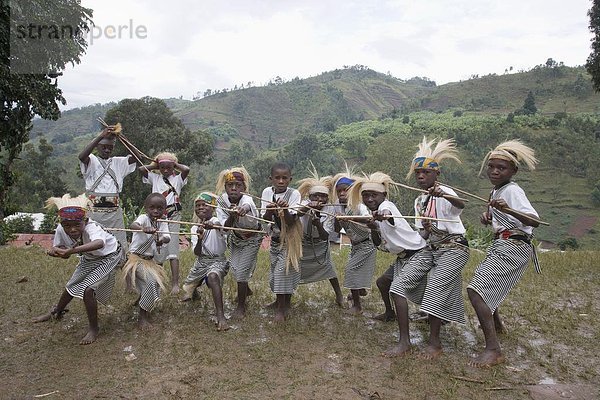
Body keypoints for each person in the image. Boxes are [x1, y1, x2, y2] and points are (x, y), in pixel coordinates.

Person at [467, 140, 540, 367]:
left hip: (514, 246)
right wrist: (488, 217)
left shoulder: (512, 190)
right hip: (502, 243)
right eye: (492, 166)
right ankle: (497, 326)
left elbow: (534, 221)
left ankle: (493, 349)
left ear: (514, 171)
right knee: (487, 287)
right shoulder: (496, 191)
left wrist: (508, 209)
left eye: (502, 167)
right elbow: (502, 220)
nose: (495, 171)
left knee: (476, 291)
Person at [400, 137, 469, 359]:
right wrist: (427, 229)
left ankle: (435, 343)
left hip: (454, 247)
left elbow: (461, 206)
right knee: (398, 284)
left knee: (436, 287)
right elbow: (422, 234)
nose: (421, 176)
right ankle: (404, 341)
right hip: (432, 248)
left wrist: (446, 195)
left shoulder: (446, 192)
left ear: (436, 174)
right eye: (418, 173)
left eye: (426, 173)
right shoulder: (419, 202)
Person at [347, 172, 428, 357]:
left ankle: (405, 342)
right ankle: (389, 313)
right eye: (366, 196)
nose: (369, 199)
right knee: (383, 282)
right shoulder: (373, 214)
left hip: (418, 254)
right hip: (402, 257)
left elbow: (388, 214)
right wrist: (374, 227)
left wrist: (384, 215)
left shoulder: (386, 206)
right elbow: (377, 243)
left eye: (373, 195)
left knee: (397, 291)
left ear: (383, 195)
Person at [33, 194, 122, 345]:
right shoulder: (61, 229)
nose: (72, 229)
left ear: (85, 221)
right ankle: (56, 312)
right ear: (62, 223)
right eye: (67, 225)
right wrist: (56, 252)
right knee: (72, 285)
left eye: (77, 225)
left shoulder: (92, 227)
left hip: (109, 256)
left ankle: (94, 329)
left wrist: (70, 251)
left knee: (88, 290)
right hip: (89, 256)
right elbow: (62, 250)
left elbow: (99, 243)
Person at [78, 124, 140, 262]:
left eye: (110, 147)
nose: (107, 150)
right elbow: (81, 156)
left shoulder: (119, 162)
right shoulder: (91, 161)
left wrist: (122, 137)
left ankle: (126, 277)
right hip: (94, 211)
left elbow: (138, 156)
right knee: (93, 245)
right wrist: (101, 136)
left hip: (114, 213)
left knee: (121, 247)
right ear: (97, 147)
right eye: (103, 147)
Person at [139, 152, 190, 295]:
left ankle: (175, 284)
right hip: (157, 217)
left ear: (173, 167)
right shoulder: (154, 177)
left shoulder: (178, 179)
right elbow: (142, 170)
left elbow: (186, 170)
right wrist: (155, 164)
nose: (166, 170)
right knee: (157, 248)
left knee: (173, 249)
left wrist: (174, 163)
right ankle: (157, 280)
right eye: (162, 167)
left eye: (169, 167)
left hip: (173, 215)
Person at [215, 167, 262, 319]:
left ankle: (241, 306)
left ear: (244, 188)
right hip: (236, 238)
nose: (234, 188)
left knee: (241, 273)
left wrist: (242, 209)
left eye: (238, 185)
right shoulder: (221, 200)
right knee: (234, 269)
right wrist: (231, 215)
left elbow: (248, 206)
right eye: (230, 185)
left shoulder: (246, 199)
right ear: (225, 187)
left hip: (252, 238)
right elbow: (225, 228)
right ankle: (246, 289)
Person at [181, 192, 230, 331]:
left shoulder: (217, 221)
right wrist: (200, 237)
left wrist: (212, 226)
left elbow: (223, 227)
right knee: (188, 288)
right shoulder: (194, 228)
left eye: (205, 205)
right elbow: (197, 253)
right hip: (201, 261)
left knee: (212, 277)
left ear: (212, 208)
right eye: (198, 206)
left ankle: (220, 316)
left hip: (217, 261)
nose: (201, 207)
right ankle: (194, 292)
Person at [261, 162, 303, 323]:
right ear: (270, 179)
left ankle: (281, 310)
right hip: (275, 239)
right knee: (275, 274)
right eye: (277, 178)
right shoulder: (266, 193)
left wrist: (284, 210)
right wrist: (270, 211)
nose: (280, 181)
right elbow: (264, 219)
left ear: (290, 179)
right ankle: (282, 302)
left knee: (282, 272)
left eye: (284, 178)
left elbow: (291, 221)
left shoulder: (294, 195)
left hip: (290, 240)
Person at [296, 170, 344, 307]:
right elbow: (296, 215)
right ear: (310, 196)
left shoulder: (330, 209)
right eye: (316, 196)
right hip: (303, 244)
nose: (319, 199)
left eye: (323, 196)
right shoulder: (304, 204)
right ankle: (284, 297)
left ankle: (339, 296)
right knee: (293, 270)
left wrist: (318, 224)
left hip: (320, 244)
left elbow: (326, 236)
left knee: (330, 269)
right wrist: (307, 207)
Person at [123, 193, 171, 330]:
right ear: (146, 208)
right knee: (151, 282)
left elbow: (167, 237)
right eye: (152, 208)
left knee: (155, 285)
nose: (155, 211)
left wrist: (161, 239)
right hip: (136, 259)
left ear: (164, 209)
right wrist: (144, 229)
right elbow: (133, 225)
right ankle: (142, 317)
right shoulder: (143, 218)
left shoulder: (163, 222)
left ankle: (142, 301)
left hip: (150, 261)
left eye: (160, 208)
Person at [331, 172, 376, 315]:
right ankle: (360, 290)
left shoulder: (358, 205)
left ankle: (357, 306)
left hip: (366, 242)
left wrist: (350, 218)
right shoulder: (337, 206)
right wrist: (338, 220)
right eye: (339, 191)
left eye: (346, 190)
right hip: (354, 243)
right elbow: (337, 229)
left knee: (351, 270)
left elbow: (368, 221)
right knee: (355, 268)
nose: (342, 193)